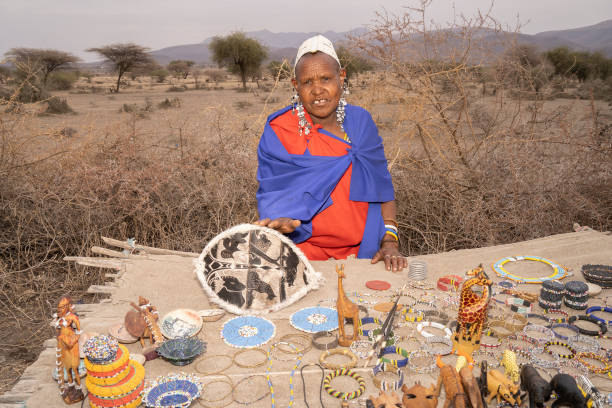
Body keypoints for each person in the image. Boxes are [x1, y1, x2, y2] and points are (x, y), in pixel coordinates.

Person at [255, 35, 407, 272]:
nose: (317, 90)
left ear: (342, 77)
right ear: (296, 86)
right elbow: (274, 193)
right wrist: (283, 219)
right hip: (304, 256)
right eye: (307, 82)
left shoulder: (361, 122)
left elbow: (382, 187)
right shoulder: (280, 130)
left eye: (326, 78)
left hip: (366, 253)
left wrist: (389, 241)